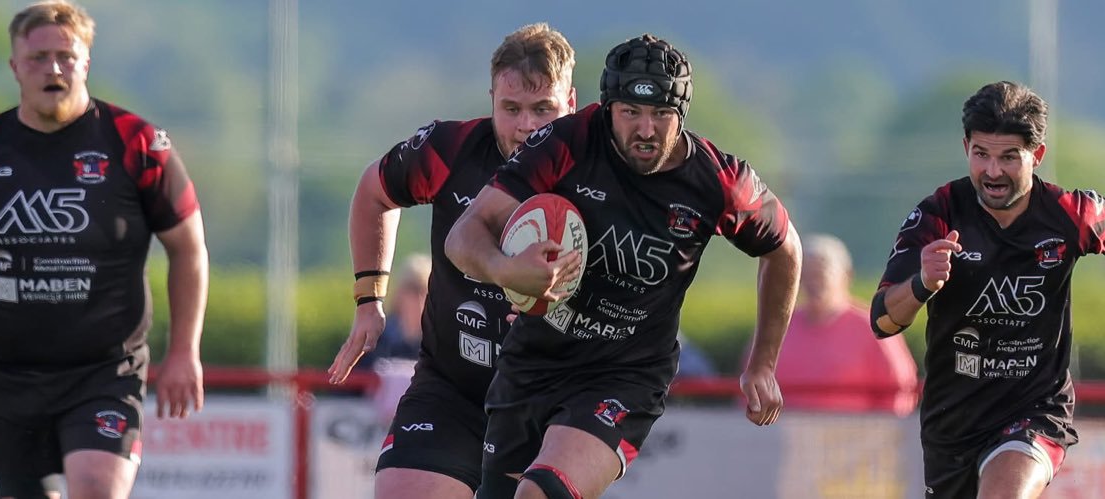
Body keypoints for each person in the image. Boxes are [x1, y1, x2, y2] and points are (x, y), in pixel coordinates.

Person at [447, 33, 802, 499]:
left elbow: (785, 249)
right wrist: (505, 269)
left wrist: (763, 364)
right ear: (608, 107)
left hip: (625, 375)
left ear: (682, 116)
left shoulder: (717, 181)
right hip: (535, 361)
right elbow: (464, 234)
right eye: (631, 113)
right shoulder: (569, 141)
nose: (646, 130)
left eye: (661, 115)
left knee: (540, 493)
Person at [0, 1, 209, 498]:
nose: (53, 69)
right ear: (14, 67)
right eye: (38, 58)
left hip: (105, 370)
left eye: (66, 56)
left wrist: (184, 351)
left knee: (96, 485)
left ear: (86, 60)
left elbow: (189, 248)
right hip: (8, 374)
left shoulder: (137, 143)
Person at [869, 80, 1105, 498]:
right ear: (966, 149)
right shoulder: (938, 214)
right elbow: (882, 320)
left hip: (1035, 410)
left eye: (1009, 157)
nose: (993, 172)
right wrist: (923, 283)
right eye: (982, 155)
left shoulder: (1071, 215)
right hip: (952, 422)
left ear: (1037, 155)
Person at [323, 23, 578, 499]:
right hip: (453, 387)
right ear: (491, 99)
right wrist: (368, 301)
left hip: (555, 403)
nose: (526, 126)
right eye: (511, 109)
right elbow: (374, 192)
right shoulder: (451, 150)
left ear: (571, 102)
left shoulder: (600, 167)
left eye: (542, 109)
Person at [771, 233, 918, 416]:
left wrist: (881, 436)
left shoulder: (876, 327)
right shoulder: (777, 327)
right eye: (805, 274)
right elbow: (753, 384)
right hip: (785, 440)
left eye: (820, 273)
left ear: (846, 276)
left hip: (855, 440)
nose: (813, 282)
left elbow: (900, 392)